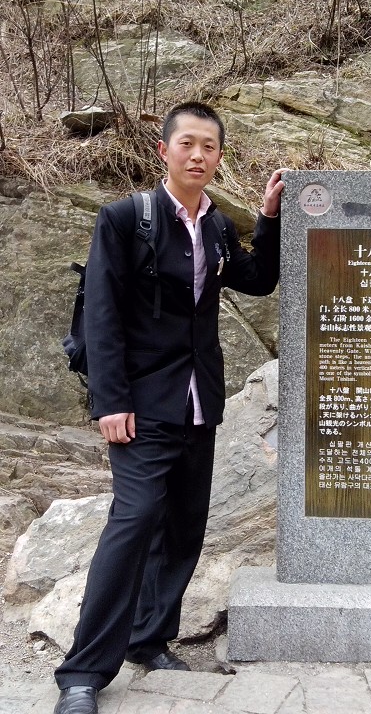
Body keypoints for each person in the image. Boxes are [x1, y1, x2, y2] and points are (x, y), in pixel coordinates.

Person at [53, 101, 285, 714]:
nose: (198, 155)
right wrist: (109, 401)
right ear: (165, 150)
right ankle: (82, 674)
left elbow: (258, 280)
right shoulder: (125, 219)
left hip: (199, 403)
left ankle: (149, 639)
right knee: (132, 524)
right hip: (140, 405)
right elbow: (102, 314)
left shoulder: (216, 227)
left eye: (209, 146)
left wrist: (267, 218)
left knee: (182, 526)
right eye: (187, 143)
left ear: (219, 155)